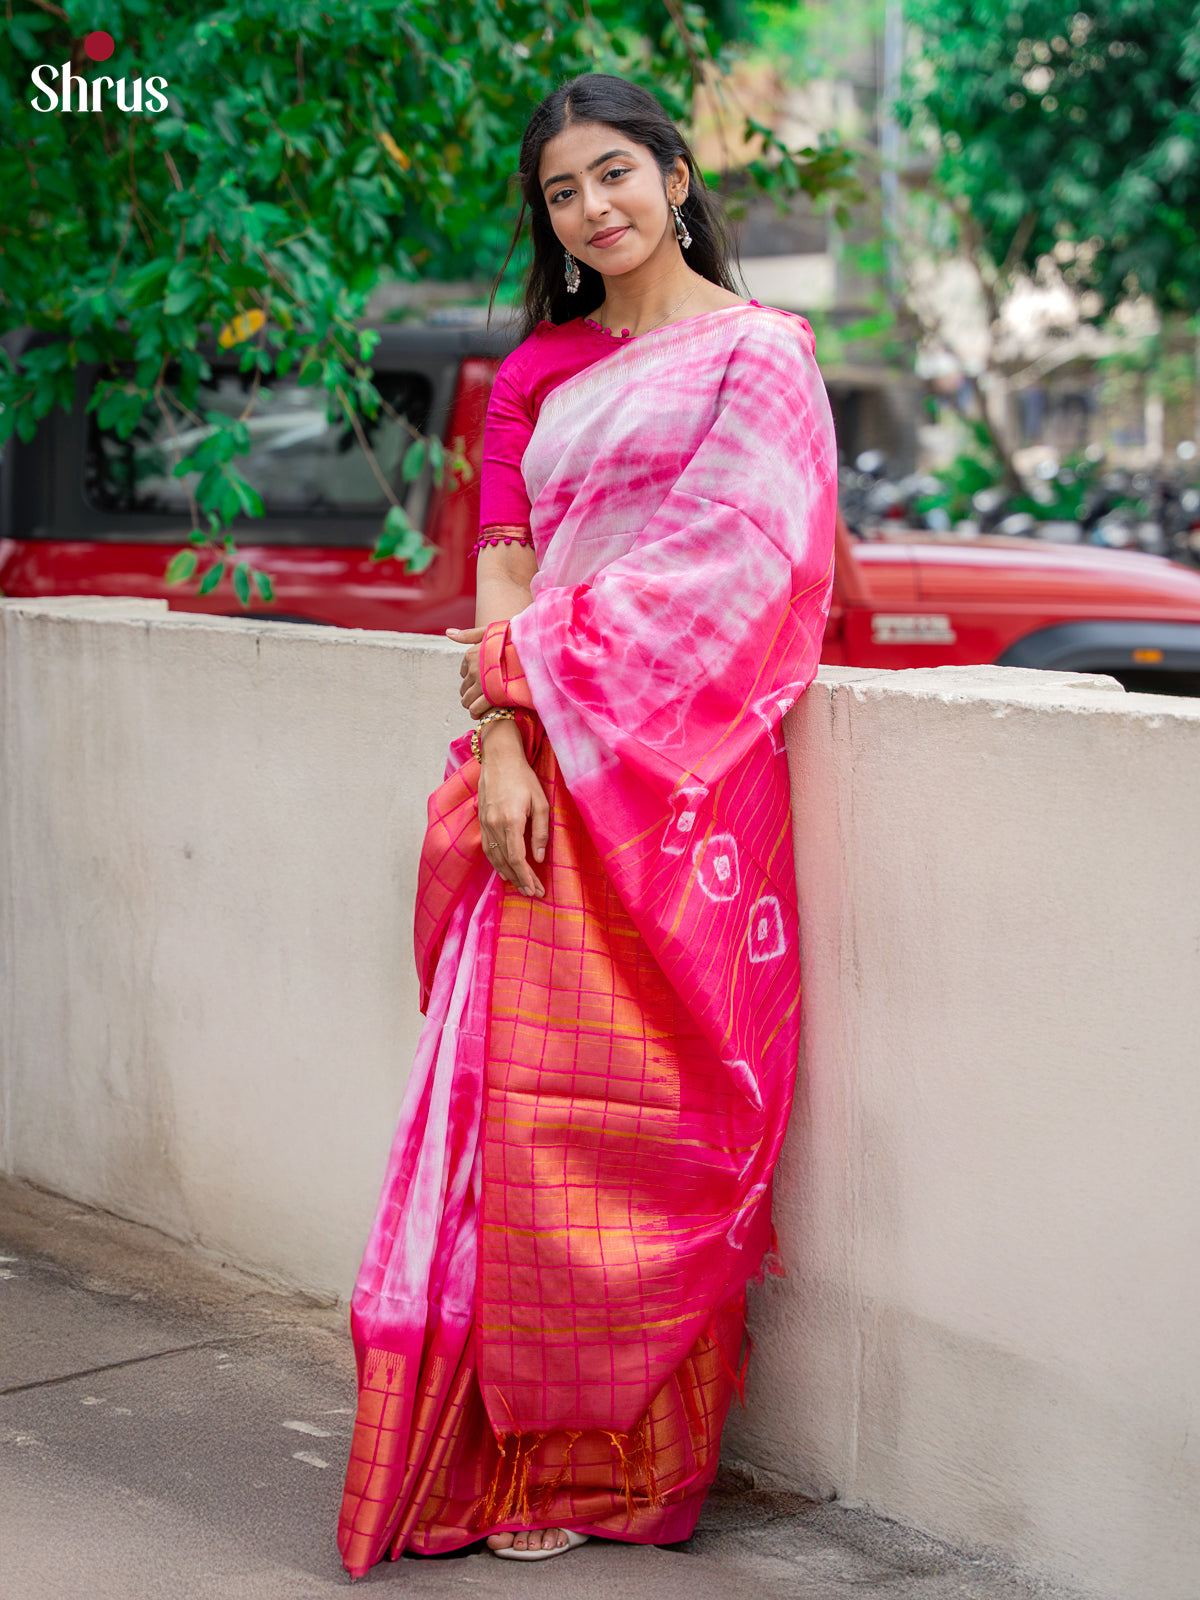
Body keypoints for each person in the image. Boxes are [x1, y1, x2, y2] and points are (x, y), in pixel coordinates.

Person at [337, 71, 837, 1574]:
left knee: (657, 1125)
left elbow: (747, 568)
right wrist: (506, 741)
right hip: (537, 764)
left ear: (677, 177)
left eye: (615, 172)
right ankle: (509, 1455)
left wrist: (546, 694)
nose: (593, 208)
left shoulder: (764, 358)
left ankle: (628, 1467)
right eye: (562, 191)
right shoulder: (535, 377)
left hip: (687, 787)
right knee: (527, 1124)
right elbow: (508, 574)